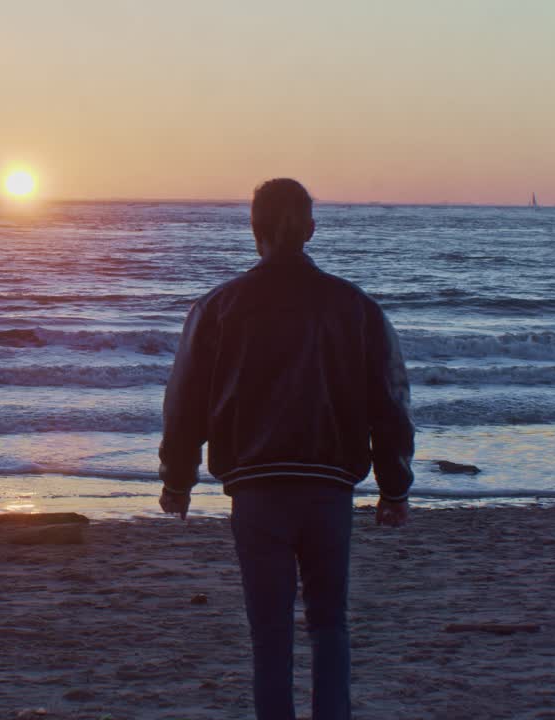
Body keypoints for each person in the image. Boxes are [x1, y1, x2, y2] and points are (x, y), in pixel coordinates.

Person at [157, 178, 414, 720]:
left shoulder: (219, 306)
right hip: (328, 484)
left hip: (257, 487)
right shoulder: (354, 307)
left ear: (255, 233)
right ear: (311, 231)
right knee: (329, 622)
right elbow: (388, 400)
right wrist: (394, 486)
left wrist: (178, 479)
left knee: (270, 629)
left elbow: (185, 402)